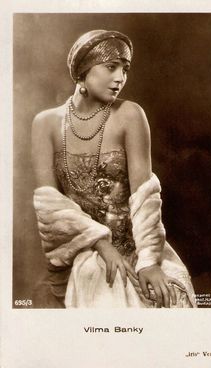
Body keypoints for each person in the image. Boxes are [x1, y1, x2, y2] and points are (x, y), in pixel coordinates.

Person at [32, 29, 197, 308]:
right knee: (101, 284)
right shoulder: (45, 124)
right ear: (84, 70)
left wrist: (148, 261)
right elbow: (50, 205)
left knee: (170, 297)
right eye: (111, 67)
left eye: (125, 69)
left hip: (139, 246)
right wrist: (101, 244)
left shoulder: (130, 114)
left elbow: (145, 196)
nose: (120, 78)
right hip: (84, 248)